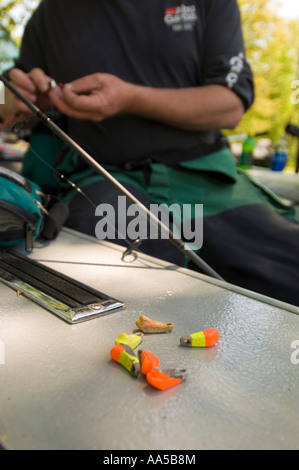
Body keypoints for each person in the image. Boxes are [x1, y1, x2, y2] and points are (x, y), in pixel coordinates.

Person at [2, 0, 299, 306]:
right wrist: (12, 99)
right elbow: (6, 96)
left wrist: (131, 99)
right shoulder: (52, 12)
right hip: (104, 182)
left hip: (207, 184)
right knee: (106, 288)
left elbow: (230, 104)